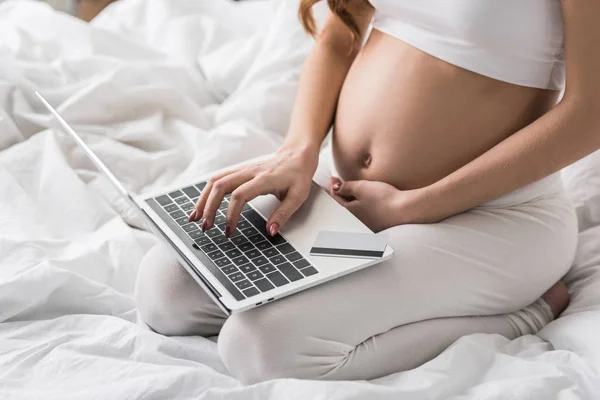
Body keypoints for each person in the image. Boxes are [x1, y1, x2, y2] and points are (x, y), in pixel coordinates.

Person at [136, 0, 600, 383]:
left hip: (494, 217)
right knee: (165, 289)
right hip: (356, 199)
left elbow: (590, 112)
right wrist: (299, 151)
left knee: (261, 345)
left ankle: (531, 310)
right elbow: (340, 33)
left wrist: (414, 204)